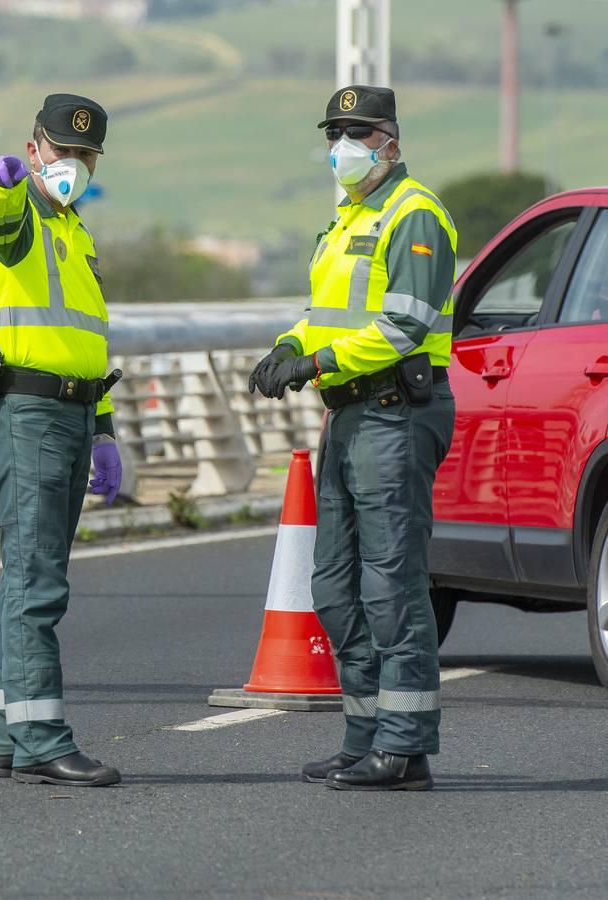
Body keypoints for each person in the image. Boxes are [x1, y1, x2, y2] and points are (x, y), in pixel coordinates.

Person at [250, 85, 458, 791]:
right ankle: (364, 733)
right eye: (336, 132)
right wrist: (289, 345)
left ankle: (404, 748)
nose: (344, 146)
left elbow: (402, 326)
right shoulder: (346, 220)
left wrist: (318, 363)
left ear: (390, 143)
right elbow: (325, 313)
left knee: (391, 585)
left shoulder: (414, 214)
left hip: (396, 412)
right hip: (351, 415)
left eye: (359, 133)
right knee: (336, 586)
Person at [0, 94, 124, 787]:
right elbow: (3, 231)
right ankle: (41, 735)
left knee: (23, 579)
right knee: (37, 581)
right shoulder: (19, 209)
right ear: (34, 150)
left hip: (71, 411)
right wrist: (4, 190)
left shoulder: (76, 229)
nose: (73, 165)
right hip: (28, 411)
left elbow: (89, 339)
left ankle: (8, 730)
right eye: (61, 152)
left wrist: (106, 428)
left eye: (85, 156)